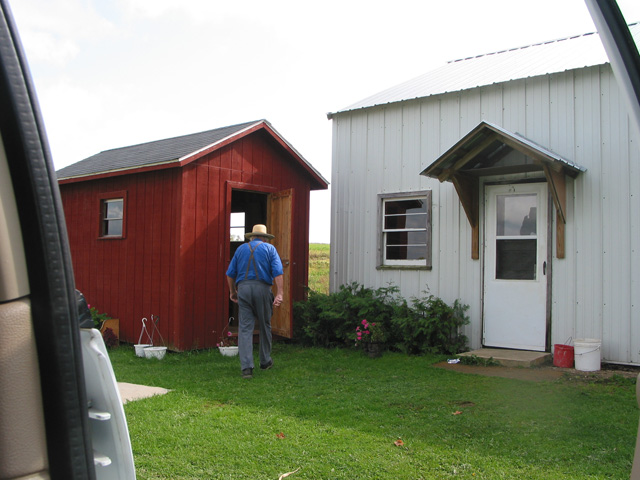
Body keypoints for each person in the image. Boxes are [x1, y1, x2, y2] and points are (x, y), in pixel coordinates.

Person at [226, 224, 284, 378]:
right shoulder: (270, 249)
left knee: (245, 328)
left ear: (251, 237)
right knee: (265, 325)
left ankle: (246, 368)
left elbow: (230, 274)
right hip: (262, 289)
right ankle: (265, 361)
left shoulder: (240, 250)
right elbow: (278, 272)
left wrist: (233, 292)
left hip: (243, 289)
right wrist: (280, 293)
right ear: (265, 238)